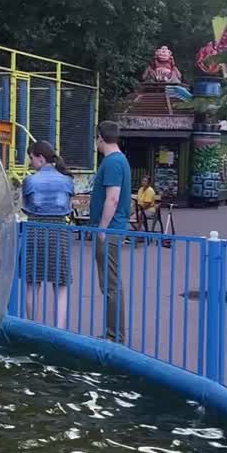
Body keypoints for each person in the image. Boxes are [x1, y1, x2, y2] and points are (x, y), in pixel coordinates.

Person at [21, 140, 74, 328]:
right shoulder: (68, 180)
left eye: (31, 158)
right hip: (59, 232)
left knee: (32, 282)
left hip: (34, 231)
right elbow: (68, 207)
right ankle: (59, 329)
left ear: (40, 158)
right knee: (60, 285)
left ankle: (32, 326)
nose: (30, 163)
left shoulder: (30, 181)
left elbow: (25, 207)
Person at [89, 121, 131, 342]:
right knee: (110, 283)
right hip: (114, 228)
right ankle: (113, 332)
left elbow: (112, 198)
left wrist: (102, 229)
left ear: (100, 137)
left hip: (109, 229)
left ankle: (114, 334)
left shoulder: (113, 163)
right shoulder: (119, 161)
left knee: (110, 283)